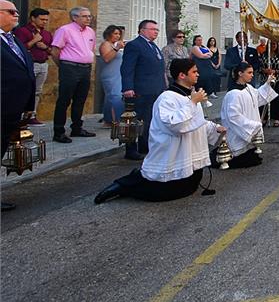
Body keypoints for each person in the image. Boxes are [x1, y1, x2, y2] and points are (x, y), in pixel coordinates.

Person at [93, 58, 226, 204]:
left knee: (189, 187)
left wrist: (214, 128)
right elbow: (177, 126)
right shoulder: (167, 98)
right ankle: (123, 186)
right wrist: (193, 103)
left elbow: (197, 121)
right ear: (182, 75)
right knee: (159, 193)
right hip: (172, 153)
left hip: (188, 153)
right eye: (194, 71)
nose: (198, 74)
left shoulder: (190, 96)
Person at [1, 0, 35, 212]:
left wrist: (28, 104)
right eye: (10, 11)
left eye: (16, 10)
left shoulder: (13, 40)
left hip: (12, 108)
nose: (16, 14)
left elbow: (25, 72)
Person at [217, 61, 278, 167]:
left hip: (247, 134)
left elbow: (258, 97)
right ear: (240, 73)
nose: (252, 75)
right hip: (237, 135)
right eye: (249, 72)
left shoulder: (248, 88)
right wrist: (252, 126)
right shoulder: (233, 94)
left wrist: (267, 84)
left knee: (252, 157)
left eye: (252, 72)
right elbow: (233, 117)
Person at [121, 19, 167, 160]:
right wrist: (128, 87)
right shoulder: (135, 45)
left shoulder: (153, 46)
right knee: (135, 120)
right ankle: (130, 149)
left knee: (149, 120)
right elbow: (127, 68)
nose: (156, 32)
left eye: (157, 30)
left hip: (155, 89)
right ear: (142, 30)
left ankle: (144, 145)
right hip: (141, 90)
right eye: (152, 29)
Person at [50, 6, 97, 143]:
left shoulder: (90, 32)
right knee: (64, 100)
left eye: (89, 16)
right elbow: (55, 51)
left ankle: (77, 128)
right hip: (69, 67)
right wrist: (63, 66)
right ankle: (58, 131)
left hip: (85, 68)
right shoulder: (65, 30)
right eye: (84, 16)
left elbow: (90, 49)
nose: (88, 18)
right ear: (74, 17)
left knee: (80, 100)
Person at [14, 7, 52, 125]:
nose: (44, 22)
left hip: (43, 64)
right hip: (29, 65)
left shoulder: (46, 33)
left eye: (46, 20)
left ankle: (32, 115)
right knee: (25, 90)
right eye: (42, 19)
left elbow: (51, 50)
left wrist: (45, 47)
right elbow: (18, 49)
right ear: (33, 18)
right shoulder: (23, 31)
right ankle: (19, 116)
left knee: (37, 91)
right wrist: (34, 41)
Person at [98, 25, 126, 127]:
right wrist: (117, 48)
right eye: (115, 33)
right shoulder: (106, 44)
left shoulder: (116, 45)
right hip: (110, 74)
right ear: (109, 34)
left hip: (118, 73)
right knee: (116, 96)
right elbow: (106, 58)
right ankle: (118, 120)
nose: (118, 36)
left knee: (110, 97)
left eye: (119, 34)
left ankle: (108, 120)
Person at [258, 40, 279, 127]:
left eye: (275, 44)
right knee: (265, 99)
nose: (273, 45)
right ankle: (265, 117)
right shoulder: (263, 55)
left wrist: (275, 71)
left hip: (277, 80)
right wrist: (265, 70)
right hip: (265, 80)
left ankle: (277, 117)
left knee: (276, 99)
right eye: (271, 44)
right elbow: (259, 67)